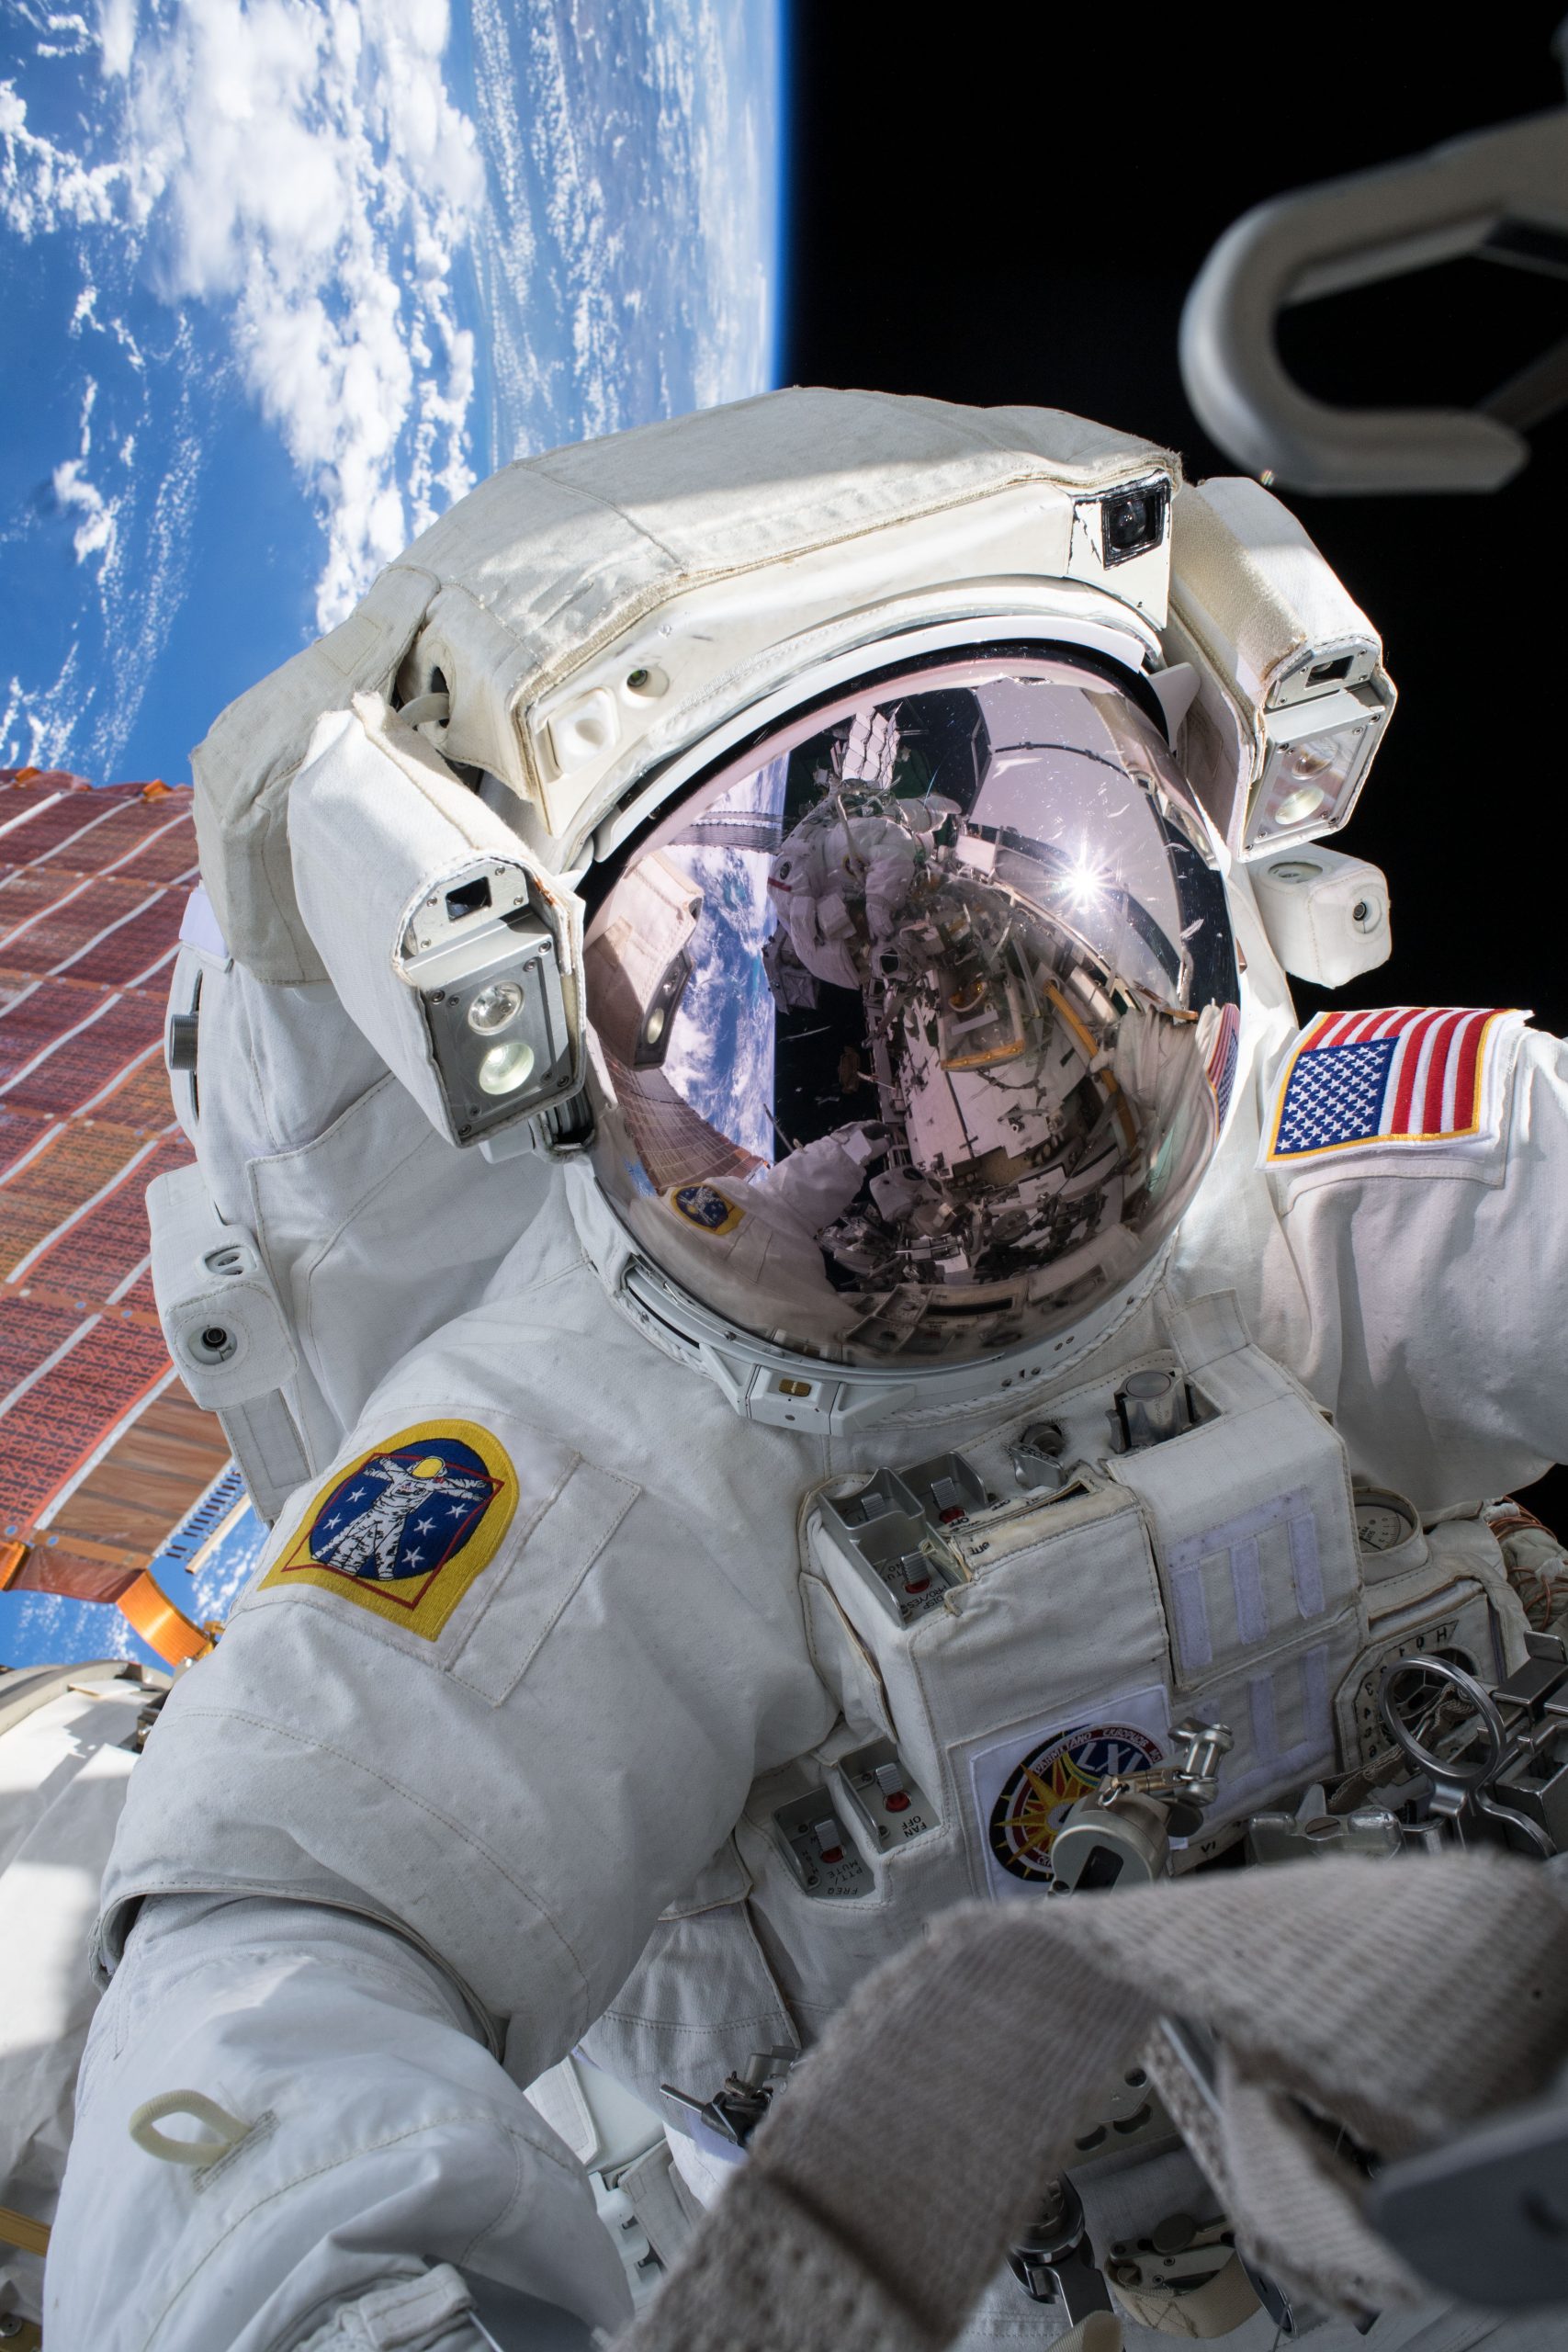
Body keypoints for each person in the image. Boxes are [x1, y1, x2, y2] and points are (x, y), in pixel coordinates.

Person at [42, 390, 1568, 2351]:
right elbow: (286, 1921)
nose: (987, 1081)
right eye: (835, 955)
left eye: (1021, 884)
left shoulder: (1276, 1191)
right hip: (951, 2259)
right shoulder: (581, 1437)